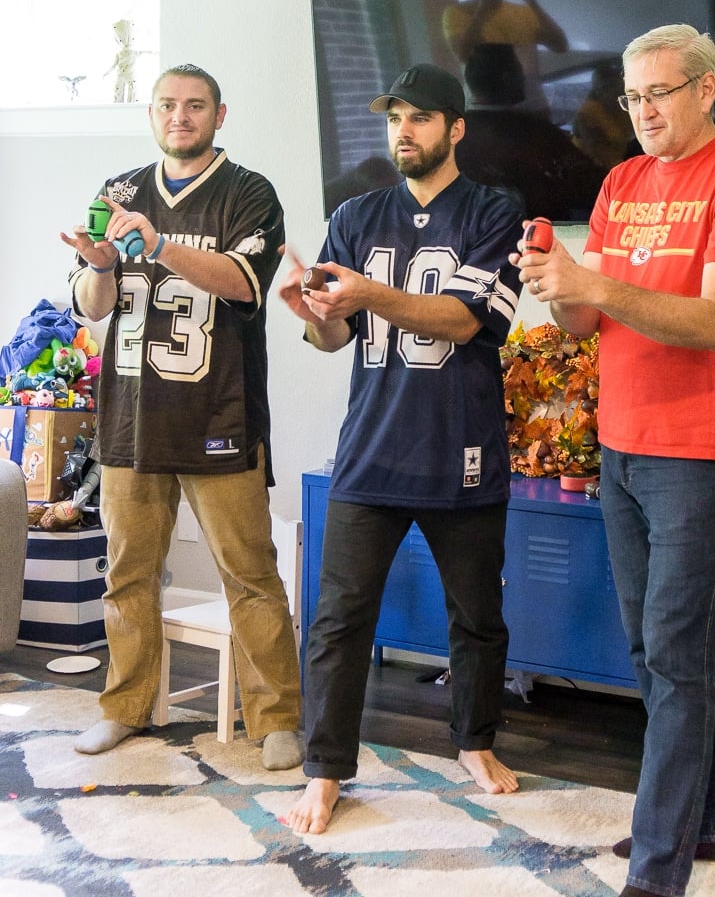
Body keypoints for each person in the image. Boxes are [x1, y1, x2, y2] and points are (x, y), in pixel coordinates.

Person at [514, 25, 715, 897]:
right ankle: (708, 827)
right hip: (621, 440)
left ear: (705, 90)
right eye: (632, 96)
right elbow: (582, 325)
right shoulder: (621, 183)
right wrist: (556, 282)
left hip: (700, 450)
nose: (641, 112)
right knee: (651, 647)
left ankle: (658, 865)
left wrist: (593, 284)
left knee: (672, 652)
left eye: (659, 93)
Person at [278, 62, 523, 834]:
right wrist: (313, 313)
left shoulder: (497, 212)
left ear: (456, 128)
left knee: (477, 616)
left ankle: (474, 743)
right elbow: (335, 337)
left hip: (461, 448)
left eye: (419, 118)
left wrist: (363, 294)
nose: (402, 132)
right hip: (370, 451)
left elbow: (465, 321)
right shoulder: (355, 214)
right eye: (394, 119)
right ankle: (325, 771)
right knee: (338, 621)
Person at [60, 63, 303, 770]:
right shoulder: (119, 190)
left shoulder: (249, 192)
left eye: (195, 106)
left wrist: (162, 246)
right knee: (129, 572)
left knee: (249, 571)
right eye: (167, 104)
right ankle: (125, 706)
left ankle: (275, 717)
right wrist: (100, 264)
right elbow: (92, 306)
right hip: (131, 417)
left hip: (218, 410)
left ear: (219, 115)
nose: (180, 117)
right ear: (151, 113)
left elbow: (243, 283)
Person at [442, 0, 567, 113]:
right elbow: (463, 55)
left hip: (531, 105)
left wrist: (532, 1)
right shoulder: (456, 13)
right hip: (485, 110)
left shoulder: (523, 12)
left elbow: (561, 45)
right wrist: (483, 9)